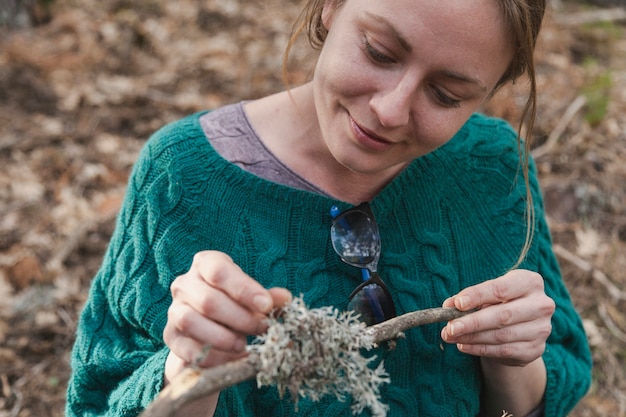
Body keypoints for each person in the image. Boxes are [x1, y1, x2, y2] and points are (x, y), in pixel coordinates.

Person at [66, 0, 592, 416]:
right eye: (380, 53)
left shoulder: (492, 167)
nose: (389, 110)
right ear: (331, 6)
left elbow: (531, 400)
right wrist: (187, 371)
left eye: (447, 94)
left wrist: (513, 363)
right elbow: (98, 403)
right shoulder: (183, 178)